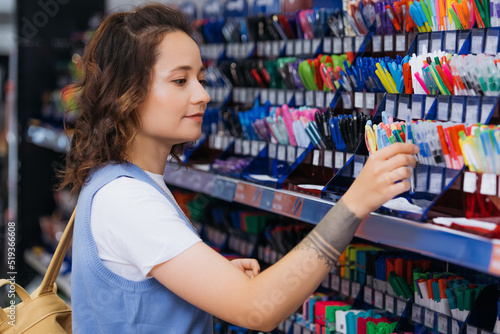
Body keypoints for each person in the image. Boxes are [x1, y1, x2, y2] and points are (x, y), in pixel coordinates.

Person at [60, 3, 418, 333]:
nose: (202, 94)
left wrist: (204, 280)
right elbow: (258, 309)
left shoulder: (119, 183)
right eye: (180, 80)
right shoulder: (129, 199)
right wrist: (353, 205)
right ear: (126, 93)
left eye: (200, 77)